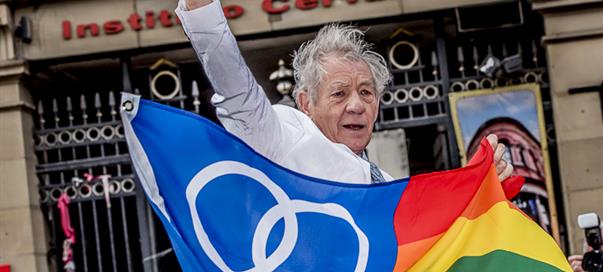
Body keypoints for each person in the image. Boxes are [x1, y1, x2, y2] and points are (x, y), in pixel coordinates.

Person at [174, 0, 514, 184]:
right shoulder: (281, 136)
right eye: (339, 94)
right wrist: (203, 12)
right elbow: (238, 94)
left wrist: (477, 188)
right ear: (306, 103)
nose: (356, 105)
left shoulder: (384, 182)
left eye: (366, 93)